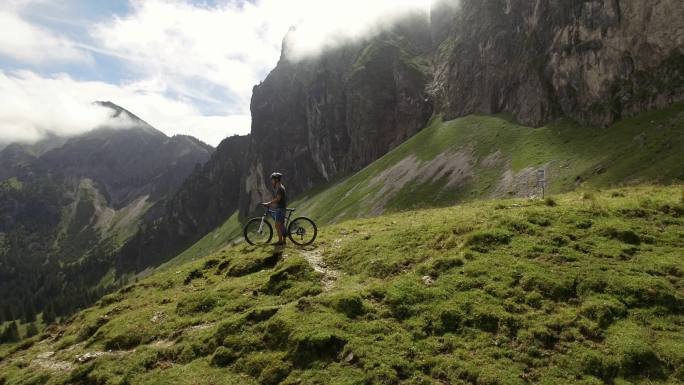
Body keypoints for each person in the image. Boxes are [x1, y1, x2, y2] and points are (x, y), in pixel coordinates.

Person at [263, 172, 288, 245]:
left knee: (277, 225)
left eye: (273, 180)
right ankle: (284, 241)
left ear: (276, 180)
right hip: (281, 208)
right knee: (281, 225)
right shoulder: (280, 187)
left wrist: (269, 203)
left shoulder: (280, 188)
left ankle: (280, 241)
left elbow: (278, 199)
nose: (272, 181)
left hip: (280, 209)